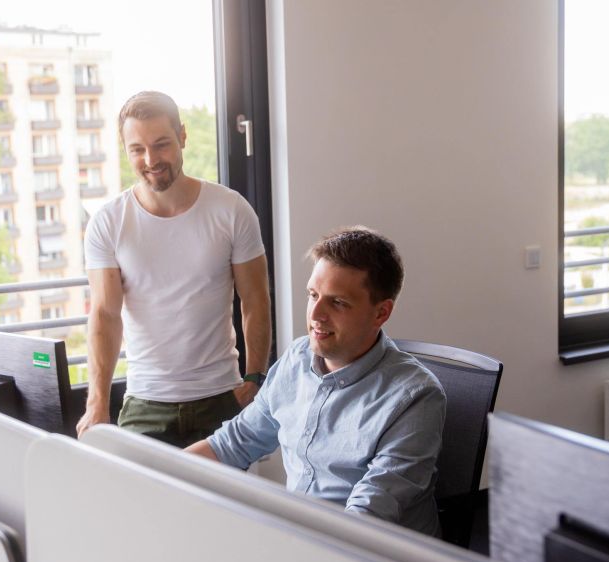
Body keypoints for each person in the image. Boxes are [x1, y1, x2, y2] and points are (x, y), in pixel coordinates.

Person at [187, 226, 446, 536]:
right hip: (303, 536)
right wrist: (158, 474)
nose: (316, 315)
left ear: (381, 313)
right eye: (313, 295)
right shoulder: (297, 359)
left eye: (338, 303)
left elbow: (369, 516)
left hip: (366, 552)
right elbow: (235, 443)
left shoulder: (416, 397)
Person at [77, 91, 271, 448]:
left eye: (162, 144)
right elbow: (104, 315)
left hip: (220, 399)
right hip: (145, 404)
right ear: (125, 150)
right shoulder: (108, 222)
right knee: (142, 504)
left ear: (182, 136)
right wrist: (97, 403)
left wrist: (255, 378)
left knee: (223, 506)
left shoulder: (231, 210)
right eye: (137, 149)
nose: (151, 159)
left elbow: (255, 299)